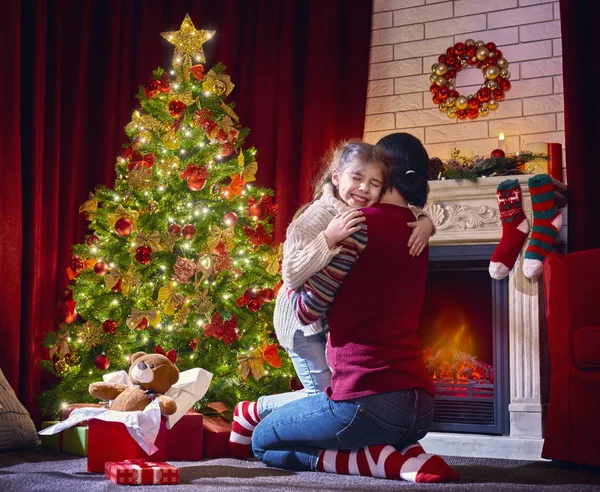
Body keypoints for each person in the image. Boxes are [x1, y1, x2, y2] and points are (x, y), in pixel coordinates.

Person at [251, 133, 459, 483]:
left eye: (373, 180)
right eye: (358, 177)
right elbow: (294, 269)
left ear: (385, 179)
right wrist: (426, 220)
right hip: (421, 408)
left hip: (368, 403)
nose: (363, 188)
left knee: (262, 443)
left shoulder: (357, 227)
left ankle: (377, 462)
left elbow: (306, 309)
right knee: (327, 405)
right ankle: (403, 453)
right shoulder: (417, 233)